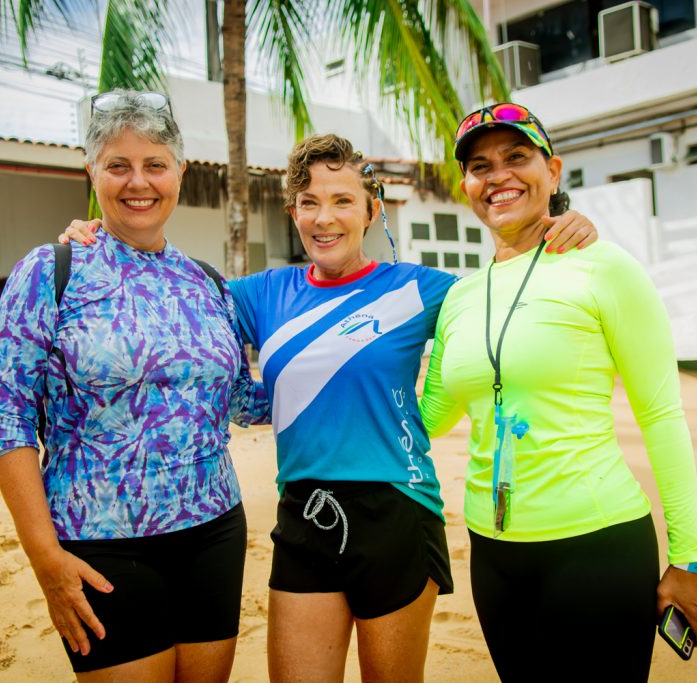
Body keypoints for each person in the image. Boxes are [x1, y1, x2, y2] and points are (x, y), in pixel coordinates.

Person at [62, 131, 598, 682]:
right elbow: (165, 289)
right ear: (293, 211)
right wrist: (104, 238)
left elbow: (510, 290)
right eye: (310, 203)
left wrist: (568, 224)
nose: (325, 218)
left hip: (397, 511)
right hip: (301, 514)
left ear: (370, 210)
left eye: (342, 201)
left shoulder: (426, 290)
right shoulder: (256, 294)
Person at [419, 102, 697, 681]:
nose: (499, 175)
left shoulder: (603, 267)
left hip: (597, 546)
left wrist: (690, 557)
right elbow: (431, 417)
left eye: (517, 157)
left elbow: (660, 413)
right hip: (492, 550)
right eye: (481, 166)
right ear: (467, 187)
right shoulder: (458, 297)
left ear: (552, 172)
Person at [0, 90, 268, 683]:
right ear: (92, 172)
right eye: (118, 165)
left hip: (214, 531)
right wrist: (44, 558)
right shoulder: (49, 273)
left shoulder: (208, 284)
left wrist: (341, 373)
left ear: (181, 173)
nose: (139, 182)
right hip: (101, 547)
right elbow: (5, 419)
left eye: (155, 164)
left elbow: (241, 402)